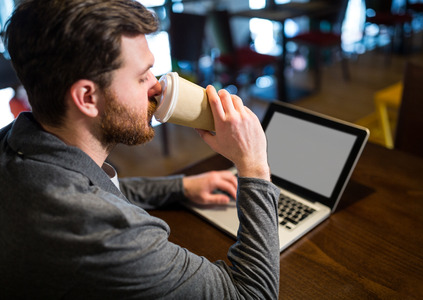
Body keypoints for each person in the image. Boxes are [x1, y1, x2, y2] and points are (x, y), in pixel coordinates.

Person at [0, 0, 280, 299]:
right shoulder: (104, 231)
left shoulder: (15, 143)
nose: (156, 86)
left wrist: (182, 187)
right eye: (142, 76)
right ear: (87, 97)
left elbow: (100, 191)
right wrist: (254, 166)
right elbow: (253, 295)